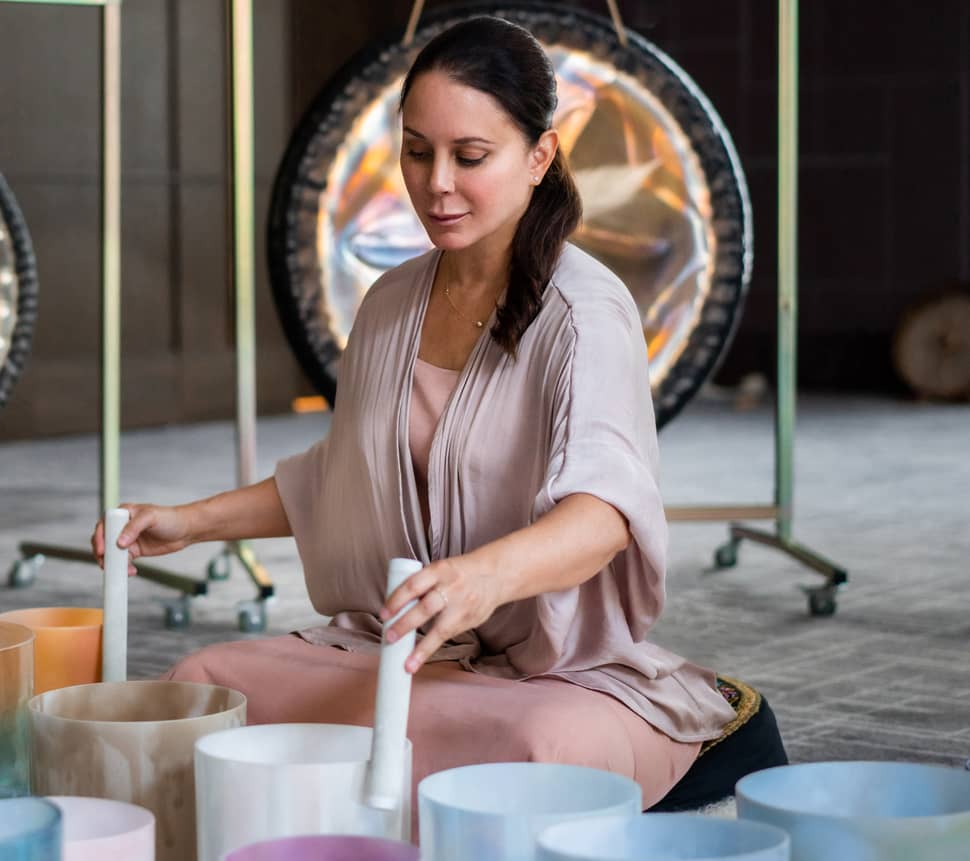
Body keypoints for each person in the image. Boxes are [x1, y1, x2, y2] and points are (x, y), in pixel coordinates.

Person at [90, 15, 733, 808]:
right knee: (203, 685)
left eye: (470, 157)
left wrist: (480, 579)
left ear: (539, 157)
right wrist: (189, 523)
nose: (436, 183)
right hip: (398, 651)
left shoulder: (585, 311)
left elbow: (604, 512)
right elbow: (343, 475)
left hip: (545, 673)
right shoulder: (390, 302)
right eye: (417, 150)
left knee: (528, 754)